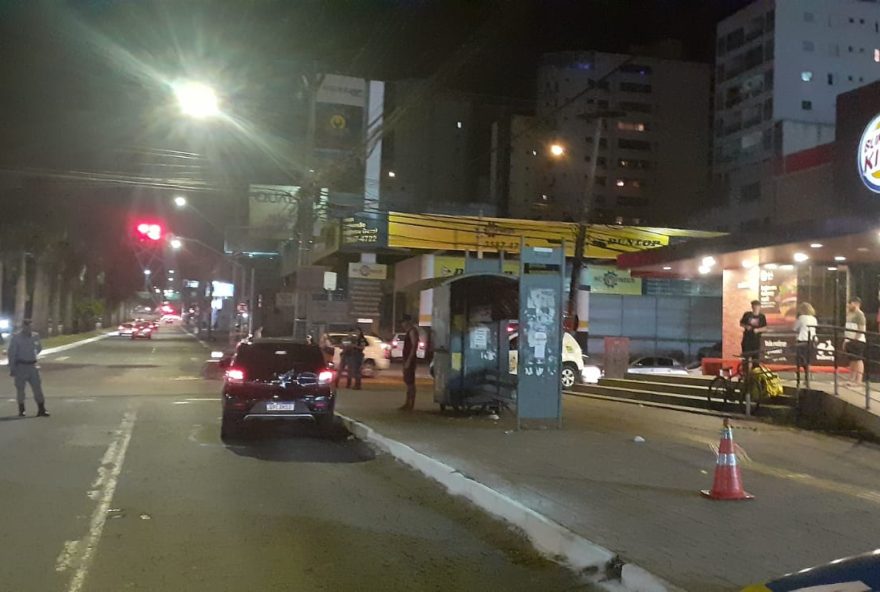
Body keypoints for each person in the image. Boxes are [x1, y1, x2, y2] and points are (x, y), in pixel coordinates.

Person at [7, 319, 49, 417]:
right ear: (23, 327)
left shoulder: (35, 336)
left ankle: (41, 409)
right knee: (20, 389)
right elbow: (12, 353)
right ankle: (22, 409)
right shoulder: (16, 338)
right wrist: (12, 368)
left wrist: (32, 355)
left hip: (33, 366)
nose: (29, 329)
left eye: (30, 326)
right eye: (27, 327)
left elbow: (39, 348)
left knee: (37, 388)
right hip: (21, 366)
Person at [844, 296, 867, 387]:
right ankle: (851, 378)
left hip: (857, 341)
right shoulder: (850, 314)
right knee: (852, 360)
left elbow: (861, 329)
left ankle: (858, 380)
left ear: (856, 304)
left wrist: (856, 339)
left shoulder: (860, 315)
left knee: (858, 360)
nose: (849, 305)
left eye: (850, 303)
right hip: (849, 340)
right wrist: (846, 340)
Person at [793, 302, 818, 381]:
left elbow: (794, 328)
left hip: (802, 340)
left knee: (800, 359)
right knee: (808, 359)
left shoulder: (801, 318)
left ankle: (798, 376)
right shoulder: (814, 319)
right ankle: (807, 376)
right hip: (812, 340)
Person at [400, 315, 420, 410]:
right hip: (407, 359)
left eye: (404, 322)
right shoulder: (409, 331)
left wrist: (409, 360)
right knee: (408, 381)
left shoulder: (412, 331)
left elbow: (414, 346)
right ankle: (408, 403)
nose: (402, 324)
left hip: (410, 360)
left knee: (410, 382)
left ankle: (410, 404)